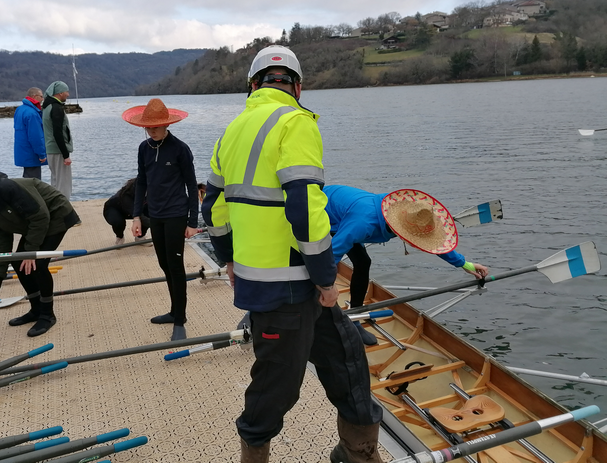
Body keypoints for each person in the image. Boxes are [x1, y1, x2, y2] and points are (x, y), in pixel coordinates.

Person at [202, 46, 383, 463]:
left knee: (346, 356)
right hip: (286, 285)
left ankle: (357, 452)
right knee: (276, 386)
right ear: (298, 87)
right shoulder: (296, 123)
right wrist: (326, 279)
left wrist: (227, 256)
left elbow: (213, 206)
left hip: (280, 278)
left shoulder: (232, 130)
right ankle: (254, 453)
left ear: (253, 85)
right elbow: (304, 208)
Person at [325, 185, 489, 345]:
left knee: (363, 262)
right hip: (322, 212)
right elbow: (332, 255)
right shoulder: (363, 224)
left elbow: (435, 244)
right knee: (335, 266)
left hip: (348, 215)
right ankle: (326, 315)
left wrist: (464, 264)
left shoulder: (404, 216)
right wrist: (326, 288)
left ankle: (356, 317)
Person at [0, 169, 81, 337]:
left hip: (56, 214)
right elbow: (2, 240)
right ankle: (36, 310)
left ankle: (47, 315)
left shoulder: (4, 188)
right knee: (18, 263)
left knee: (38, 264)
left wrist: (30, 253)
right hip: (35, 222)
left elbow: (40, 216)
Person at [122, 98, 199, 341]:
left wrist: (193, 222)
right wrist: (136, 216)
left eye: (156, 126)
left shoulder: (180, 149)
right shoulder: (144, 148)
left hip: (176, 214)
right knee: (164, 264)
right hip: (155, 215)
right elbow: (142, 181)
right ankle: (173, 310)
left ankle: (180, 320)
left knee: (175, 267)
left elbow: (191, 185)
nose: (151, 130)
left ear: (166, 124)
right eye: (148, 126)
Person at [42, 81, 73, 200]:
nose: (68, 94)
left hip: (50, 149)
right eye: (66, 91)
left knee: (55, 181)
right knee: (63, 183)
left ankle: (55, 207)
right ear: (60, 93)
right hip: (58, 150)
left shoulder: (46, 107)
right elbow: (57, 132)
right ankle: (64, 210)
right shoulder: (56, 108)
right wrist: (66, 155)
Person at [102, 178, 149, 245]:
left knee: (150, 213)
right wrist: (159, 226)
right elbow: (138, 216)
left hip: (134, 209)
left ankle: (140, 237)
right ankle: (120, 236)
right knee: (118, 222)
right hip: (114, 209)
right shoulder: (126, 195)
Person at [14, 87, 47, 179]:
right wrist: (41, 154)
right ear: (34, 96)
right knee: (34, 182)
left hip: (22, 150)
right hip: (31, 153)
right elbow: (36, 136)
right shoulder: (32, 113)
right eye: (41, 96)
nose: (42, 99)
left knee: (27, 179)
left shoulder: (19, 110)